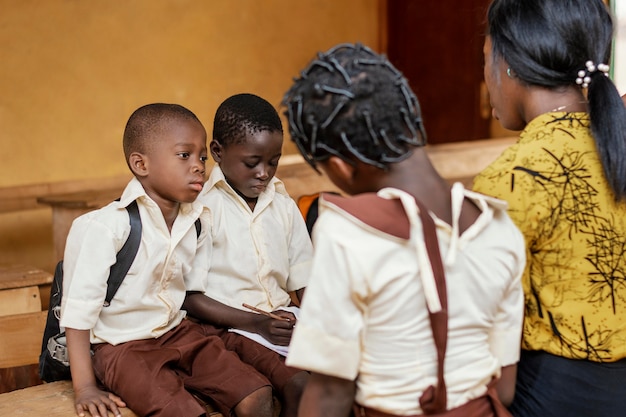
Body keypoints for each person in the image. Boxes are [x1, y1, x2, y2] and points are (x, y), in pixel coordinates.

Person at [281, 43, 526, 417]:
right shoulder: (499, 227)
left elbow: (330, 394)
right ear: (413, 119)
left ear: (340, 168)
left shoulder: (348, 231)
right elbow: (504, 388)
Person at [61, 103, 276, 417]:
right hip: (123, 348)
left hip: (179, 334)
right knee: (182, 412)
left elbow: (190, 293)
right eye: (184, 155)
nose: (199, 166)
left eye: (202, 156)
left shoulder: (198, 221)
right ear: (141, 164)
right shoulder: (104, 227)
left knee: (257, 393)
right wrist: (85, 388)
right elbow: (77, 315)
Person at [473, 1, 626, 416]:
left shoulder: (513, 177)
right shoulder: (617, 146)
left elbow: (482, 327)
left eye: (486, 60)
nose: (485, 80)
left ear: (508, 64)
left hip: (552, 396)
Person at [182, 93, 312, 417]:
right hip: (229, 329)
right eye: (252, 163)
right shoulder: (201, 210)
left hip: (280, 322)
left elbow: (305, 282)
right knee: (297, 387)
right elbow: (190, 298)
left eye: (273, 161)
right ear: (217, 152)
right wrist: (258, 323)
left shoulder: (283, 205)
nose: (264, 173)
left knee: (342, 374)